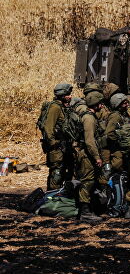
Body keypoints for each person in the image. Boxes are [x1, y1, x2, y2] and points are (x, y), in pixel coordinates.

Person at [75, 92, 106, 223]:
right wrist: (97, 157)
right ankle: (85, 213)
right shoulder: (89, 118)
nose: (102, 106)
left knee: (91, 181)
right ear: (95, 104)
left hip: (88, 154)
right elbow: (89, 141)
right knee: (87, 182)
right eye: (100, 103)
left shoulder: (89, 116)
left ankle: (89, 209)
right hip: (87, 155)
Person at [37, 83, 74, 190]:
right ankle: (52, 196)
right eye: (68, 95)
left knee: (62, 172)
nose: (70, 96)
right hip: (56, 148)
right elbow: (48, 128)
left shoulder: (62, 107)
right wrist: (53, 143)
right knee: (56, 173)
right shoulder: (55, 108)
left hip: (62, 146)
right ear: (62, 95)